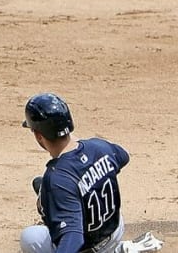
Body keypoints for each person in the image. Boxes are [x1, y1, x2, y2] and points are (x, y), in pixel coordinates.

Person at [19, 93, 162, 253]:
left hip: (89, 247)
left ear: (39, 136)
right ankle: (118, 248)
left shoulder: (57, 178)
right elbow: (123, 156)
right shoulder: (98, 147)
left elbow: (73, 237)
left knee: (30, 237)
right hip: (115, 230)